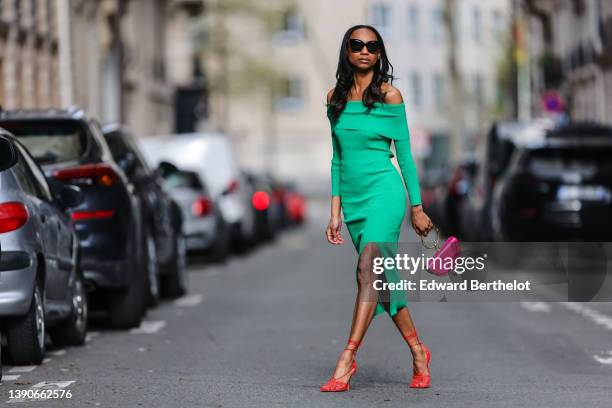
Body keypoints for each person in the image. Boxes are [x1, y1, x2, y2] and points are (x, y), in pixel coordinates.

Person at [321, 24, 434, 392]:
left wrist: (416, 207)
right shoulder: (334, 98)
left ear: (380, 52)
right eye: (357, 45)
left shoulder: (390, 97)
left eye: (372, 45)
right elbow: (338, 159)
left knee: (367, 271)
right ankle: (418, 350)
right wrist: (335, 211)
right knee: (383, 281)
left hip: (384, 194)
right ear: (347, 52)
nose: (365, 50)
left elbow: (405, 157)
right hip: (353, 202)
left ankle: (347, 358)